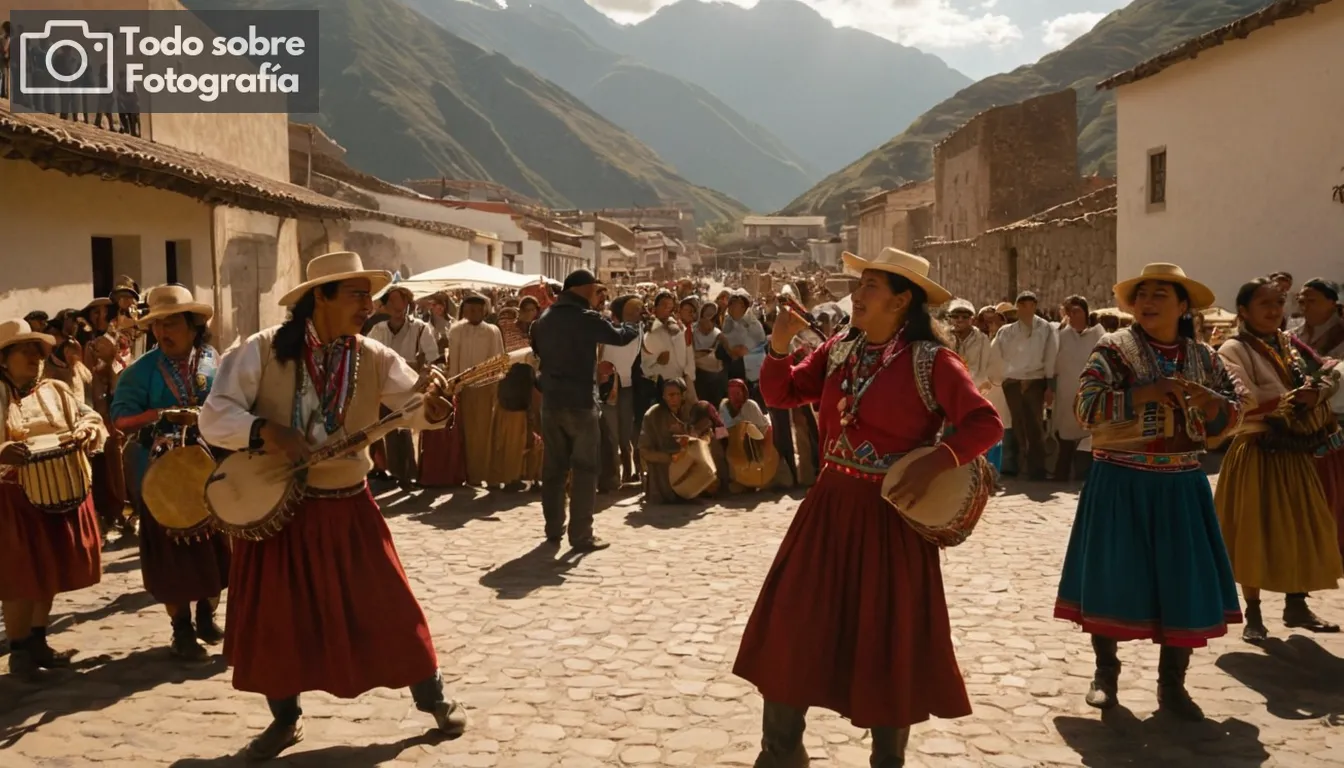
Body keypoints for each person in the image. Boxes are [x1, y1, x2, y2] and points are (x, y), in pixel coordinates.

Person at [733, 248, 1003, 767]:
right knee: (791, 627)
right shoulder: (840, 351)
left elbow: (985, 423)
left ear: (902, 301)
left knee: (888, 638)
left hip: (890, 519)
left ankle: (887, 761)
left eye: (871, 287)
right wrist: (780, 345)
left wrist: (938, 461)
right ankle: (781, 754)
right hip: (828, 510)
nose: (857, 295)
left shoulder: (933, 361)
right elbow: (783, 392)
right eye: (860, 285)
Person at [197, 251, 464, 760]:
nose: (369, 304)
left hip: (349, 506)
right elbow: (214, 416)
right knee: (278, 620)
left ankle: (434, 698)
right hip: (282, 510)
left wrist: (432, 403)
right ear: (320, 297)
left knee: (391, 606)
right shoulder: (261, 350)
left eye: (370, 294)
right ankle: (285, 721)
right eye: (357, 294)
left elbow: (413, 410)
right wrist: (265, 430)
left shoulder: (373, 354)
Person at [1054, 263, 1245, 721]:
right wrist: (1148, 393)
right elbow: (1085, 409)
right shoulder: (1113, 350)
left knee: (1180, 581)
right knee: (1112, 575)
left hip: (1180, 482)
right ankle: (1105, 672)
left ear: (1183, 306)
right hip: (1120, 479)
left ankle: (1172, 685)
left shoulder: (1205, 357)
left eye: (1161, 294)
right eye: (1142, 294)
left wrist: (1213, 403)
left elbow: (1236, 410)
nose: (1148, 302)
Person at [1215, 276, 1343, 640]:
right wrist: (1293, 398)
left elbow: (1330, 369)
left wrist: (1316, 393)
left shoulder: (1289, 343)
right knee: (1253, 531)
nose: (1275, 311)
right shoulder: (1232, 350)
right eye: (1265, 305)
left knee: (1301, 528)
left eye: (1278, 303)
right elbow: (1246, 400)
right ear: (1243, 311)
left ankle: (1296, 605)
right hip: (1257, 452)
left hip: (1295, 454)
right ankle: (1253, 615)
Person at [110, 285, 231, 661]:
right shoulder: (140, 371)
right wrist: (159, 416)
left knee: (215, 551)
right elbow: (120, 419)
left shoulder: (214, 360)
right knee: (173, 560)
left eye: (173, 322)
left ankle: (206, 614)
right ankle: (181, 629)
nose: (164, 331)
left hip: (213, 472)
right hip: (162, 480)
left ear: (194, 326)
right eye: (158, 324)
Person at [0, 319, 107, 677]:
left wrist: (86, 430)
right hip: (12, 498)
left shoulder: (56, 390)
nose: (35, 358)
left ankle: (37, 640)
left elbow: (88, 416)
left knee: (47, 570)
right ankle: (18, 651)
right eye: (25, 352)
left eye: (38, 352)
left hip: (59, 490)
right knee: (18, 577)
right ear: (4, 359)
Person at [530, 269, 639, 551]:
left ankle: (553, 529)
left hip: (552, 402)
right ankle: (581, 535)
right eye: (594, 288)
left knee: (553, 470)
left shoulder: (544, 319)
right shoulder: (585, 318)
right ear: (582, 288)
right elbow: (619, 336)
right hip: (580, 402)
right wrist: (634, 322)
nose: (595, 294)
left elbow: (538, 352)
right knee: (585, 469)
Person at [367, 284, 440, 488]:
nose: (398, 307)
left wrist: (427, 374)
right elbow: (370, 354)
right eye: (392, 302)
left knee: (405, 427)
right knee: (381, 426)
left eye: (402, 301)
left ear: (408, 303)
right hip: (384, 383)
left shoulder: (420, 328)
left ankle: (407, 472)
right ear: (386, 305)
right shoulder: (378, 329)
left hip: (411, 382)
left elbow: (434, 357)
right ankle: (382, 468)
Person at [997, 291, 1058, 480]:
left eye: (1030, 304)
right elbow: (999, 356)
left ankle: (1037, 468)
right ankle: (1020, 465)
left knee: (1036, 425)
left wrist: (1050, 385)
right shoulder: (1006, 331)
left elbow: (1051, 355)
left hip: (1036, 379)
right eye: (1022, 305)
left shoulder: (1046, 328)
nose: (1026, 309)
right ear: (1017, 307)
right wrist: (1005, 379)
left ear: (1035, 306)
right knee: (1018, 424)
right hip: (1013, 381)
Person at [447, 294, 504, 487]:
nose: (474, 313)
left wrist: (494, 384)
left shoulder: (492, 331)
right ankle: (468, 474)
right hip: (462, 387)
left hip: (485, 386)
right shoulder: (456, 330)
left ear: (484, 311)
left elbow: (497, 359)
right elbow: (453, 359)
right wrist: (453, 386)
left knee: (484, 432)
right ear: (464, 311)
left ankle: (485, 474)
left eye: (478, 310)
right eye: (470, 309)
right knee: (464, 432)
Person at [1052, 295, 1105, 481]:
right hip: (1066, 393)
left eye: (1077, 311)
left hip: (1090, 393)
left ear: (1085, 312)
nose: (1073, 316)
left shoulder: (1099, 335)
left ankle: (1087, 474)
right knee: (1065, 435)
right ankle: (1062, 473)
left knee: (1090, 434)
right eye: (1069, 312)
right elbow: (1053, 365)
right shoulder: (1061, 336)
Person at [599, 295, 644, 489]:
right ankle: (613, 476)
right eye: (632, 309)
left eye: (638, 309)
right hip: (607, 388)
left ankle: (628, 472)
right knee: (612, 434)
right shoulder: (606, 331)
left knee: (625, 433)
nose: (637, 313)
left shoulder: (639, 330)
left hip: (626, 387)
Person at [638, 378, 695, 504]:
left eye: (677, 395)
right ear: (663, 396)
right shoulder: (652, 416)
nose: (674, 398)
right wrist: (669, 457)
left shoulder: (688, 412)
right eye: (670, 395)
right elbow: (644, 451)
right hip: (663, 466)